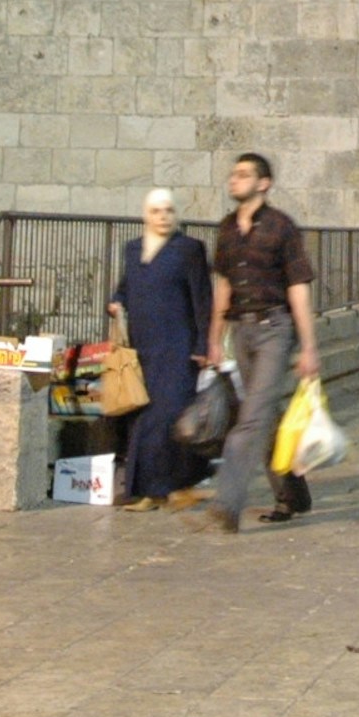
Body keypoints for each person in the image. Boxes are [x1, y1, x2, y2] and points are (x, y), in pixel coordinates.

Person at [196, 152, 323, 532]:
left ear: (263, 184)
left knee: (250, 419)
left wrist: (309, 346)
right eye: (233, 174)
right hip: (242, 330)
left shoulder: (282, 227)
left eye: (243, 175)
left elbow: (297, 288)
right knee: (264, 417)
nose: (234, 180)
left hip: (275, 328)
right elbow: (223, 286)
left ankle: (227, 503)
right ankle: (293, 494)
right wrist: (215, 339)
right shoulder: (226, 230)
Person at [106, 187, 214, 511]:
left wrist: (203, 344)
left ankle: (168, 486)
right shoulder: (134, 249)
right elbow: (126, 286)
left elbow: (202, 299)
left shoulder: (189, 249)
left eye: (168, 210)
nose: (163, 217)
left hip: (178, 345)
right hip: (143, 347)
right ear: (146, 215)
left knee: (169, 413)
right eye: (156, 211)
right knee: (143, 415)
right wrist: (116, 302)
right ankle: (152, 489)